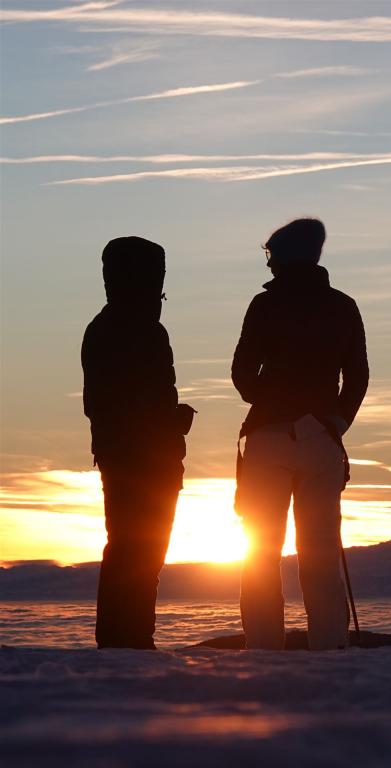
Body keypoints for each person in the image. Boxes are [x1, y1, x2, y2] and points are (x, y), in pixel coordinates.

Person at [232, 218, 369, 650]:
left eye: (270, 254)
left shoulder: (264, 305)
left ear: (285, 256)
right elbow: (358, 377)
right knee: (321, 551)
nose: (268, 264)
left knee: (260, 550)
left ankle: (263, 649)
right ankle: (330, 648)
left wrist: (270, 403)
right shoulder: (343, 306)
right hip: (323, 439)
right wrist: (335, 422)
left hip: (267, 437)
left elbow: (240, 374)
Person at [82, 236, 195, 649]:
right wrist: (173, 421)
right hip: (145, 459)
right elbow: (126, 403)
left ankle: (125, 637)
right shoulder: (141, 330)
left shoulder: (106, 327)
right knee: (138, 551)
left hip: (126, 456)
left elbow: (105, 403)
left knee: (134, 550)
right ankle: (127, 639)